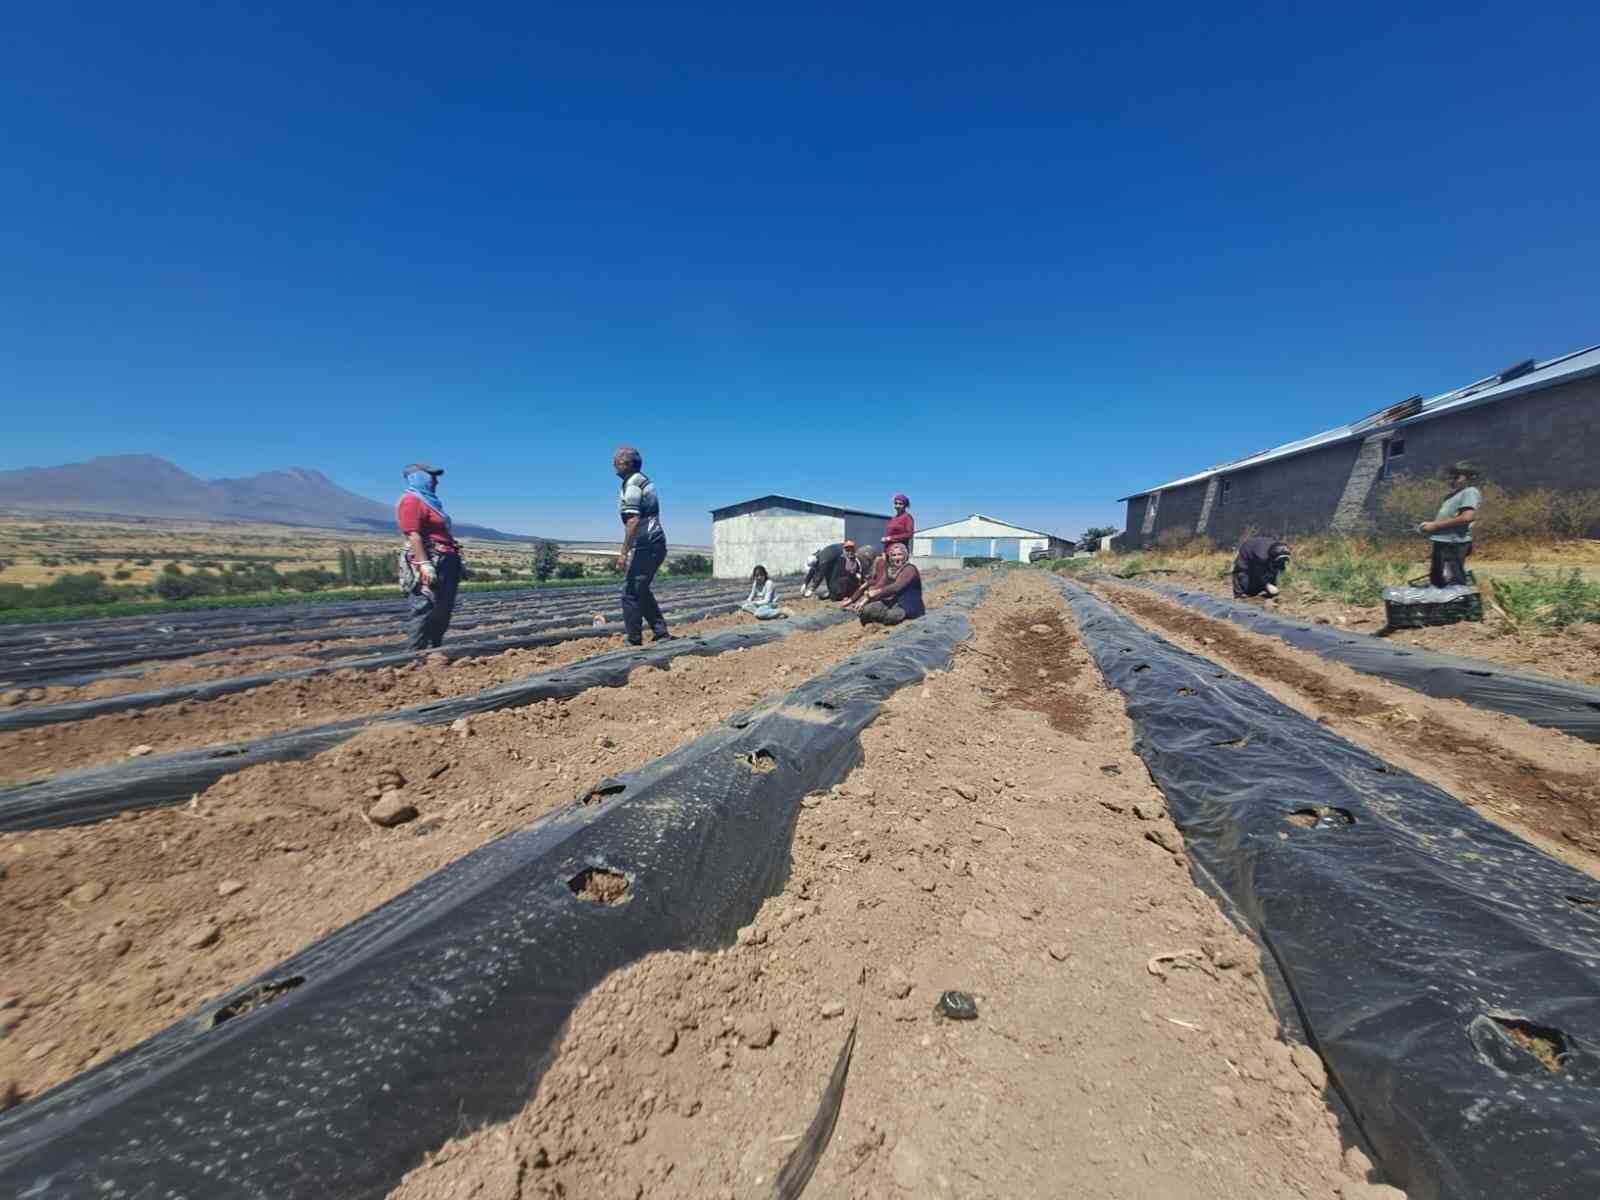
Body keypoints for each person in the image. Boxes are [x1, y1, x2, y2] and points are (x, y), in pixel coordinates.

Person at [397, 462, 464, 650]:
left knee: (443, 609)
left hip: (446, 558)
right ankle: (414, 655)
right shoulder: (411, 500)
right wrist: (424, 564)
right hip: (430, 558)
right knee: (424, 606)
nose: (435, 482)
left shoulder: (431, 502)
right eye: (432, 477)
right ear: (419, 477)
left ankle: (435, 651)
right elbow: (413, 533)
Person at [612, 446, 672, 646]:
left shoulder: (633, 485)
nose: (613, 463)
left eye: (617, 460)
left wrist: (623, 553)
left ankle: (634, 641)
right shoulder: (638, 481)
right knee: (641, 589)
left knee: (630, 592)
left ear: (626, 464)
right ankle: (661, 632)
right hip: (653, 543)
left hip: (648, 544)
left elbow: (632, 521)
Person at [1419, 461, 1482, 587]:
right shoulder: (1450, 496)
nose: (1451, 480)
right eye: (1450, 477)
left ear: (1471, 478)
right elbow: (1448, 517)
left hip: (1454, 542)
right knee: (1438, 577)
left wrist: (1435, 526)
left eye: (1456, 477)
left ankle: (1460, 604)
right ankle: (1442, 603)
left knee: (1453, 577)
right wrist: (1430, 526)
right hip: (1442, 541)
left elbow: (1466, 517)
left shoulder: (1470, 491)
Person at [847, 540, 925, 626]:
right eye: (893, 555)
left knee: (888, 616)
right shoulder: (890, 570)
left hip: (908, 605)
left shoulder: (910, 569)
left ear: (905, 556)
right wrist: (865, 599)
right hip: (894, 602)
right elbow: (881, 584)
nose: (897, 558)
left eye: (900, 554)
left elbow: (896, 587)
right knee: (868, 610)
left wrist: (876, 592)